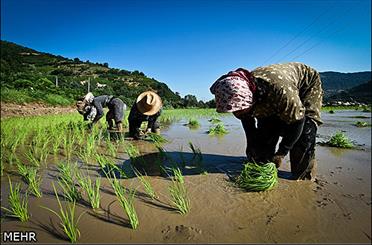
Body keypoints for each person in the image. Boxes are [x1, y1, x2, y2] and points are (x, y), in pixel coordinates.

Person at [210, 62, 323, 180]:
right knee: (266, 133)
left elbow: (298, 121)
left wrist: (281, 153)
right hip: (267, 94)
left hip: (306, 86)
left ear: (250, 99)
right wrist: (252, 146)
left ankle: (304, 177)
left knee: (304, 136)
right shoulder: (244, 98)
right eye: (234, 111)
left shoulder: (279, 90)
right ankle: (265, 163)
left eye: (240, 110)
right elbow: (250, 126)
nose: (237, 114)